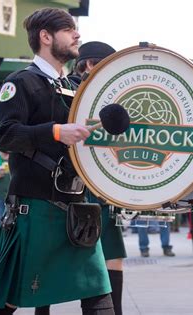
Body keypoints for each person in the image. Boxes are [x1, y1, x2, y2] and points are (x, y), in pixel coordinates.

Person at [0, 8, 113, 314]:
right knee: (6, 300)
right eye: (69, 29)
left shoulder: (76, 88)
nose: (77, 34)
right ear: (46, 36)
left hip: (77, 207)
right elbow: (4, 135)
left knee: (98, 294)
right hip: (36, 207)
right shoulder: (20, 83)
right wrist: (56, 131)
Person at [35, 40, 125, 315]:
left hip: (100, 188)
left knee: (111, 257)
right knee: (48, 256)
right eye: (105, 65)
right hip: (64, 186)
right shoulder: (65, 90)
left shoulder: (109, 94)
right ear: (89, 64)